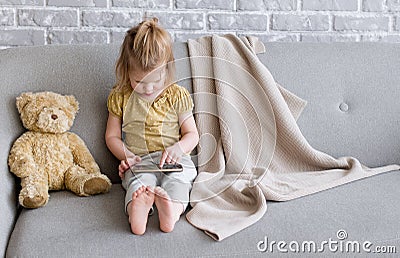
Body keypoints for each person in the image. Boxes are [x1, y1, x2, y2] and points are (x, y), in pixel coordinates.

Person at [105, 17, 199, 235]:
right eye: (139, 81)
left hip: (174, 159)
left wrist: (179, 149)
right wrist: (126, 155)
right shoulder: (120, 96)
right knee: (139, 184)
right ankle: (137, 211)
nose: (148, 89)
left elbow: (192, 134)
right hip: (140, 161)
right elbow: (111, 136)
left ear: (167, 70)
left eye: (155, 82)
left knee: (179, 179)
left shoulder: (176, 95)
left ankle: (172, 210)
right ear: (126, 71)